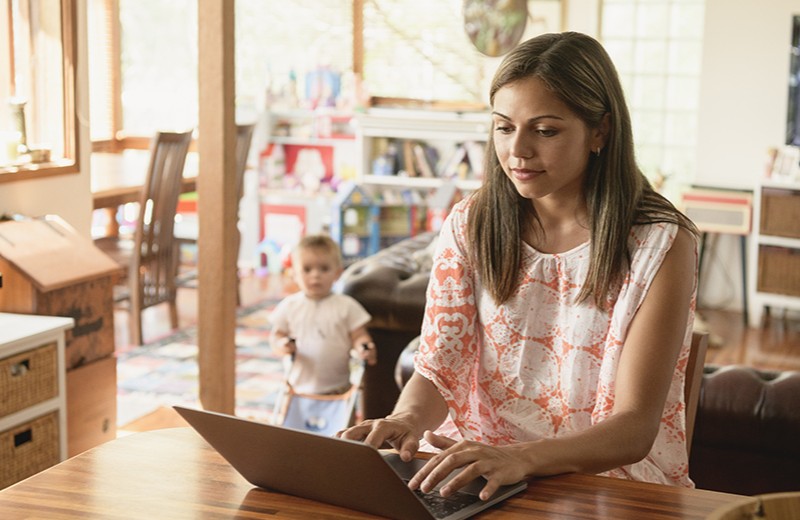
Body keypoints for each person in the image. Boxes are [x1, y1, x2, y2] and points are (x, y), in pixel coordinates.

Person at [339, 31, 699, 499]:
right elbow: (439, 363)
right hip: (477, 473)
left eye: (545, 130)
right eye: (504, 127)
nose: (518, 150)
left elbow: (634, 429)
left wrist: (520, 458)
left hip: (608, 485)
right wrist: (405, 419)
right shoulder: (472, 222)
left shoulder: (662, 243)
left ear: (600, 132)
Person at [270, 234, 376, 396]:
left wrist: (364, 346)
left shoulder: (347, 306)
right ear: (294, 274)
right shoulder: (289, 306)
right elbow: (276, 335)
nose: (315, 275)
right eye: (307, 269)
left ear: (338, 273)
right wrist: (282, 344)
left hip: (339, 389)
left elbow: (359, 335)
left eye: (324, 269)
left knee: (344, 421)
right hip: (297, 389)